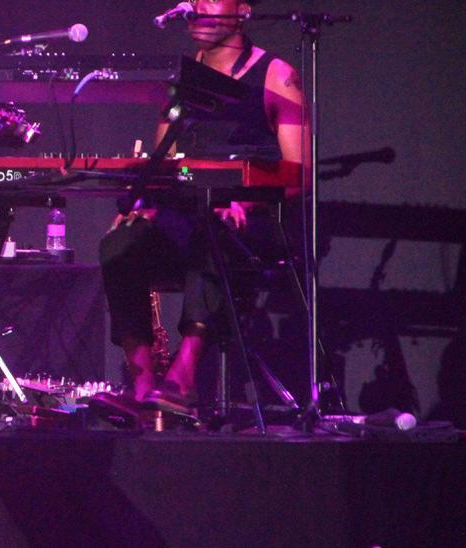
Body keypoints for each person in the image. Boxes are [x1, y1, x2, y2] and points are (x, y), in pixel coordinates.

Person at [97, 0, 308, 417]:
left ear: (242, 9)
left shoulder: (276, 75)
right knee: (118, 245)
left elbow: (296, 174)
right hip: (187, 217)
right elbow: (165, 158)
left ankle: (184, 377)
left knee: (213, 237)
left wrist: (245, 200)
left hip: (250, 221)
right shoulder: (180, 77)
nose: (198, 5)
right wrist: (142, 202)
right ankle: (142, 386)